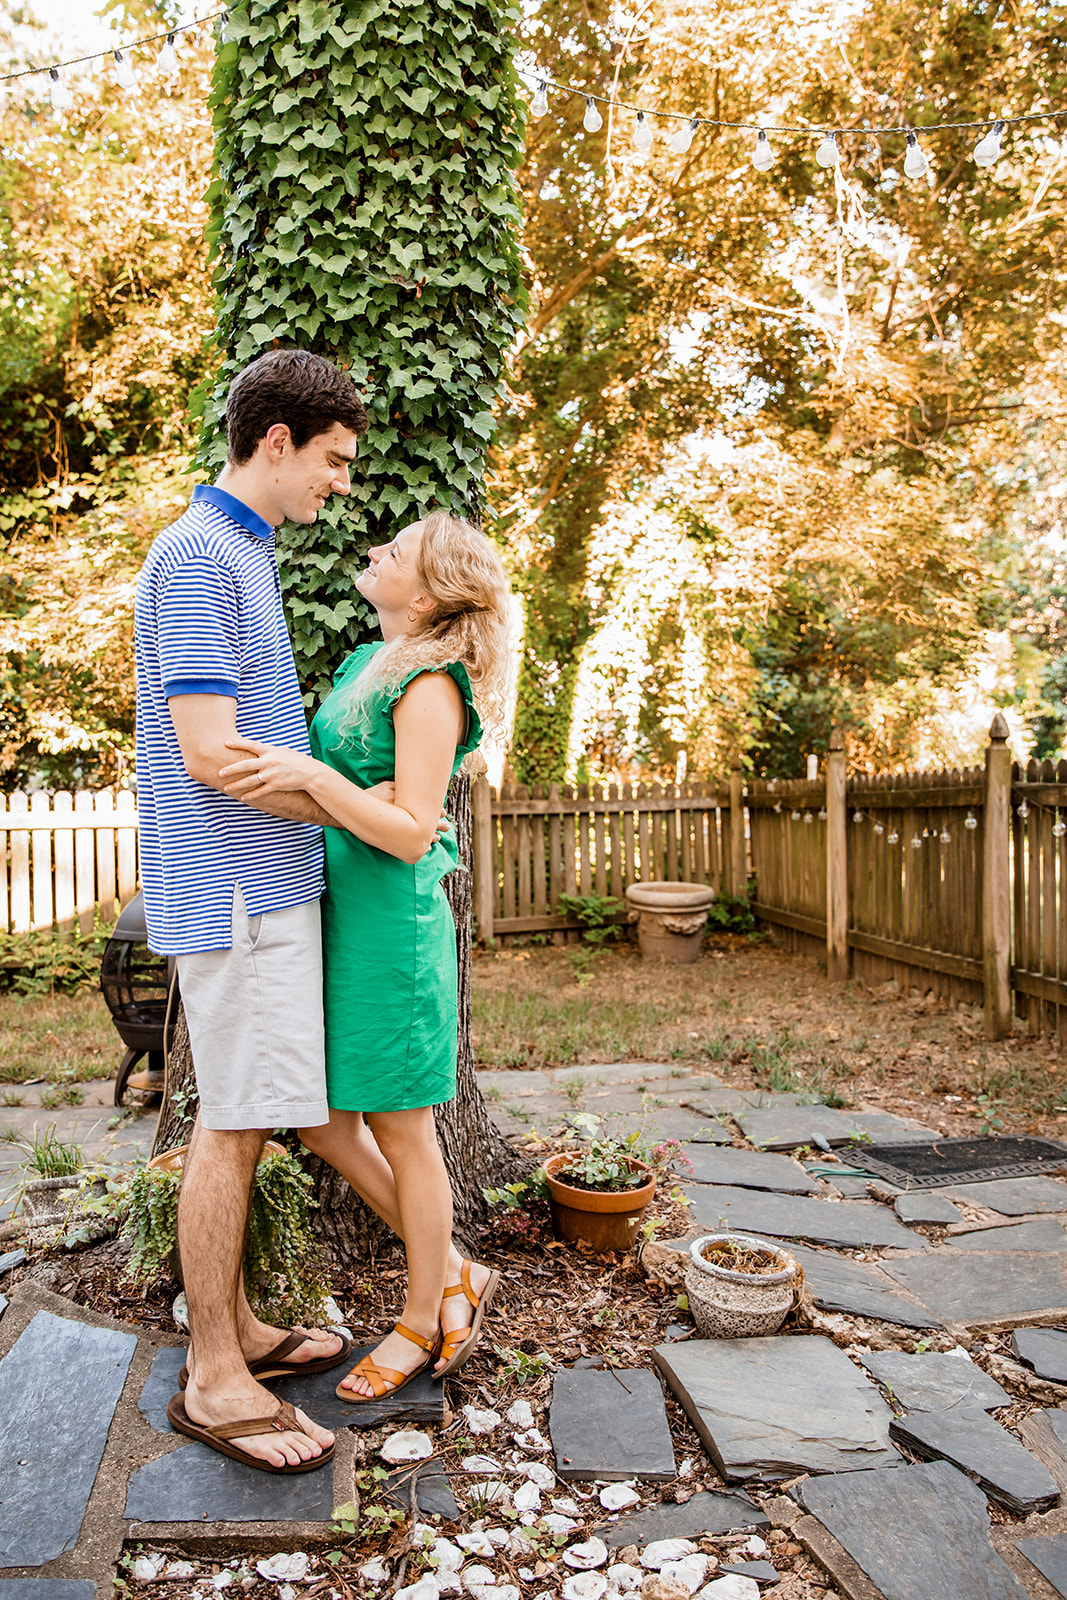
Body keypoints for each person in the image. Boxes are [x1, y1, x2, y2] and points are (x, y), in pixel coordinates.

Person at [134, 348, 370, 1472]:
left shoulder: (238, 552)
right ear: (274, 440)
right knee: (228, 1129)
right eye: (330, 460)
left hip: (260, 887)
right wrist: (337, 796)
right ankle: (213, 1381)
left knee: (248, 1118)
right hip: (233, 897)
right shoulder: (196, 558)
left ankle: (238, 1335)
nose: (338, 483)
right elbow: (208, 751)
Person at [219, 509, 511, 1399]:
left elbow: (411, 829)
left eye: (398, 551)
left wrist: (321, 780)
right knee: (321, 1120)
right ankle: (455, 1269)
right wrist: (343, 792)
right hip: (338, 917)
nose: (375, 550)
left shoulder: (430, 685)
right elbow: (360, 805)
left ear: (423, 596)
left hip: (391, 932)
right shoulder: (365, 665)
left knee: (402, 1128)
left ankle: (421, 1318)